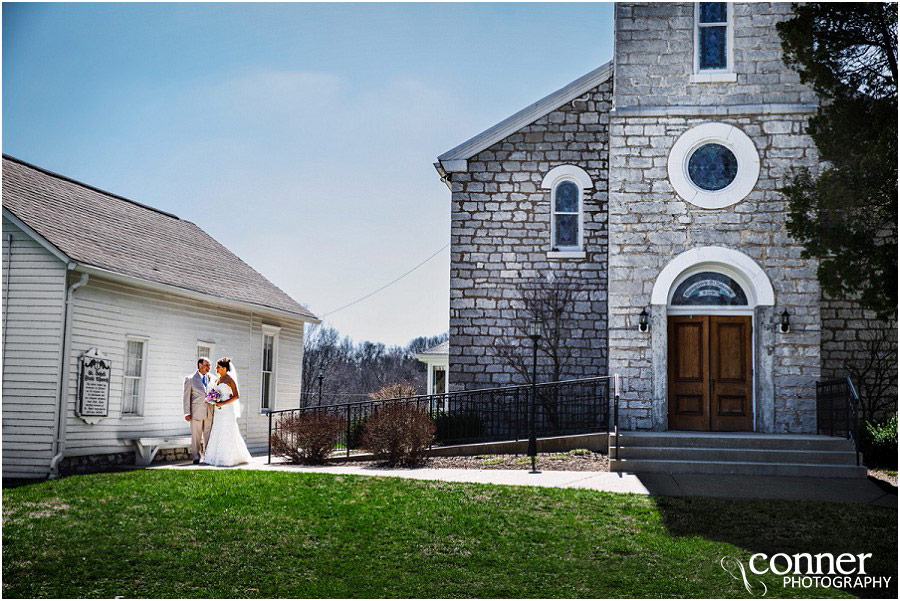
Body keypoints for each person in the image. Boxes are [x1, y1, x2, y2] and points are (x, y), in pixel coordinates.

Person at [202, 357, 253, 467]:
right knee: (217, 430)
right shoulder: (218, 379)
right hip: (218, 410)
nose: (216, 368)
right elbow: (215, 392)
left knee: (226, 431)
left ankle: (228, 458)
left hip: (226, 410)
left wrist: (222, 403)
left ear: (224, 368)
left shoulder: (229, 379)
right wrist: (212, 398)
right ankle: (215, 457)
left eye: (218, 367)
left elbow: (236, 396)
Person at [183, 357, 214, 465]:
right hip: (196, 412)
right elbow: (186, 397)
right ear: (200, 366)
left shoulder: (212, 378)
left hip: (209, 412)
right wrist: (187, 412)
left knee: (208, 435)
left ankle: (208, 456)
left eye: (209, 365)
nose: (209, 368)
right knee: (196, 436)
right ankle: (196, 456)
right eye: (207, 365)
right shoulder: (190, 379)